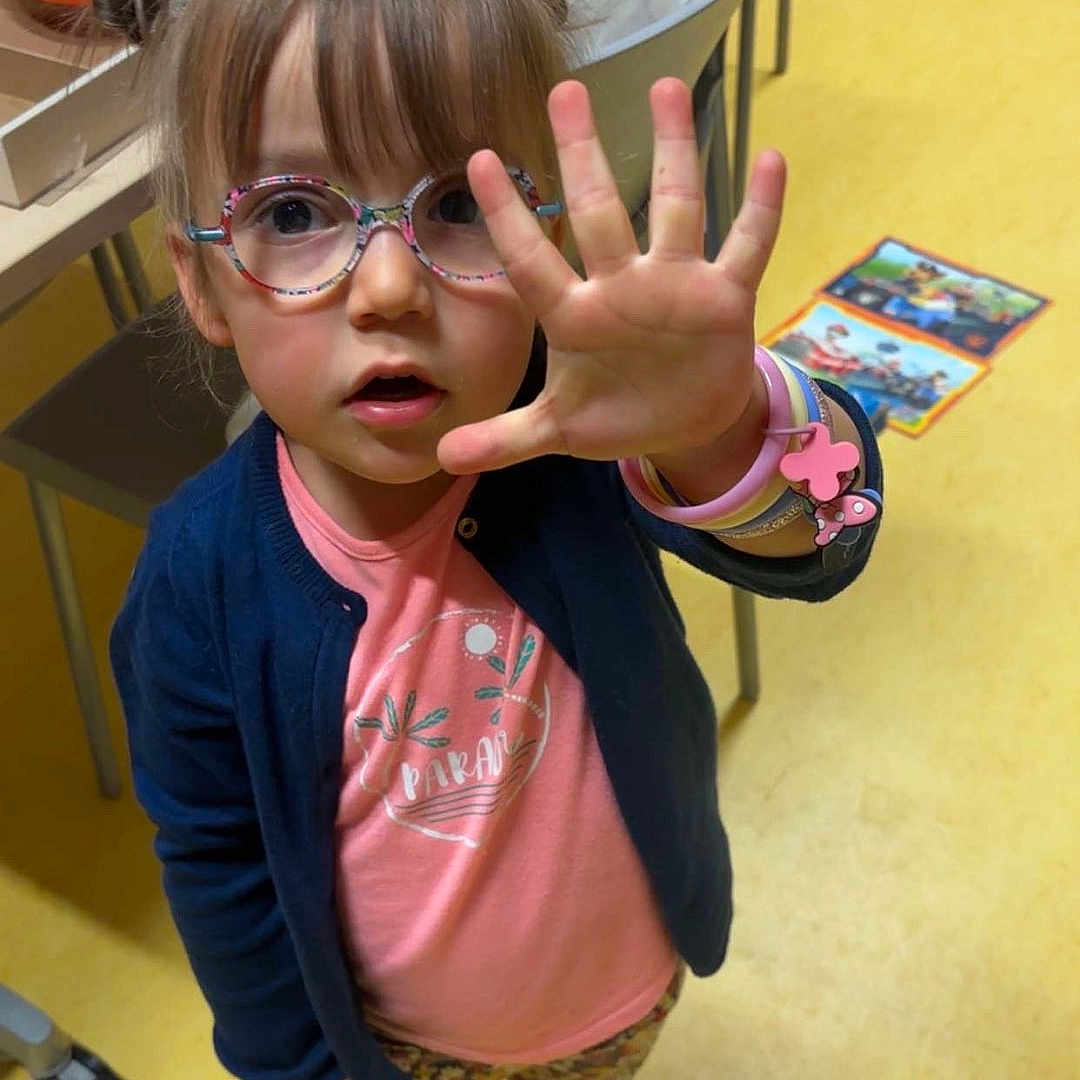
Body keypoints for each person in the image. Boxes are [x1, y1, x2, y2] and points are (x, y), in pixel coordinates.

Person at [98, 1, 884, 1078]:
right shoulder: (199, 582)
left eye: (462, 202)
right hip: (405, 1053)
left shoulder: (579, 435)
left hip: (632, 989)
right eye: (289, 214)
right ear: (199, 281)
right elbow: (219, 866)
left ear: (543, 238)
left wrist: (724, 427)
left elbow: (826, 536)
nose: (387, 288)